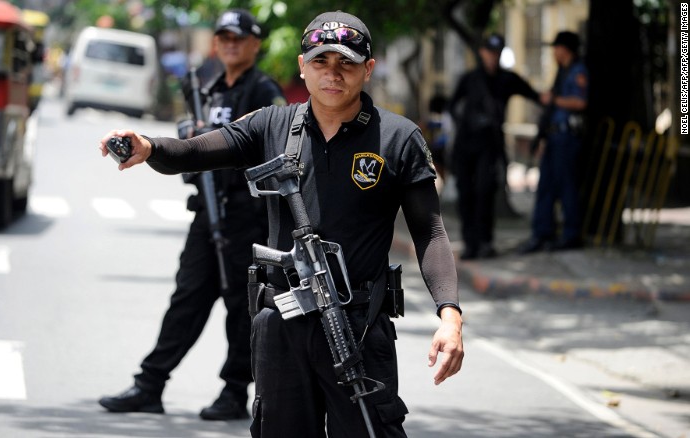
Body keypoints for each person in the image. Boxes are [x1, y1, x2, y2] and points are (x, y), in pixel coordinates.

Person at [98, 11, 464, 437]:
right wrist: (149, 146)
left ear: (368, 69)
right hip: (283, 326)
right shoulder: (271, 125)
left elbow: (431, 232)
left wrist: (450, 316)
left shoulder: (399, 138)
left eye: (345, 62)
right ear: (302, 66)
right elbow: (195, 151)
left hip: (359, 328)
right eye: (321, 62)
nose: (333, 74)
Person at [98, 9, 286, 421]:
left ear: (255, 44)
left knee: (243, 306)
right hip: (207, 214)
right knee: (187, 298)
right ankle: (149, 384)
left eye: (239, 37)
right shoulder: (205, 87)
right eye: (224, 37)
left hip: (248, 215)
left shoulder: (263, 92)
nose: (231, 44)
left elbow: (273, 153)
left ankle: (235, 392)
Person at [448, 34, 542, 260]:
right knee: (466, 194)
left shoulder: (506, 80)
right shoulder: (470, 79)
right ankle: (470, 244)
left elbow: (534, 94)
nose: (492, 58)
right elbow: (452, 106)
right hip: (465, 145)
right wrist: (467, 120)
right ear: (482, 53)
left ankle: (485, 242)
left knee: (485, 193)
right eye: (489, 53)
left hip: (489, 147)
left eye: (497, 53)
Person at [519, 31, 588, 253]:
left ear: (566, 49)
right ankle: (542, 233)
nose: (554, 53)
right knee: (546, 187)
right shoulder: (562, 72)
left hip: (567, 138)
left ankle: (571, 234)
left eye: (557, 48)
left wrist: (554, 100)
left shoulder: (578, 71)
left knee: (567, 187)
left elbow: (580, 102)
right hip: (553, 137)